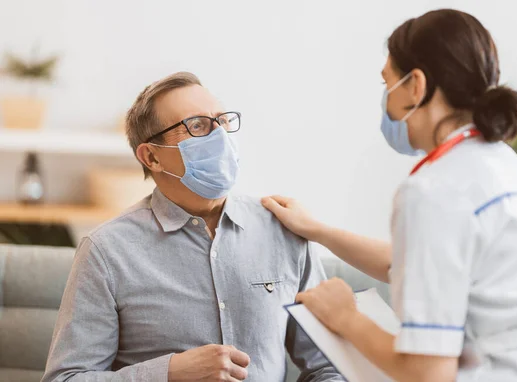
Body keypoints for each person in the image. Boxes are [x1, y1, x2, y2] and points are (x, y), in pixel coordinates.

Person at [261, 9, 517, 382]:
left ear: (416, 86)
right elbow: (415, 263)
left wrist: (346, 319)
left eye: (387, 83)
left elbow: (426, 373)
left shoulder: (434, 190)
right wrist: (317, 230)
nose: (385, 100)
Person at [42, 72, 343, 382]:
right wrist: (168, 373)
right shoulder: (107, 251)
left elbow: (329, 366)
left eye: (222, 121)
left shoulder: (284, 228)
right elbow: (65, 379)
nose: (220, 137)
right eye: (197, 126)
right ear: (152, 157)